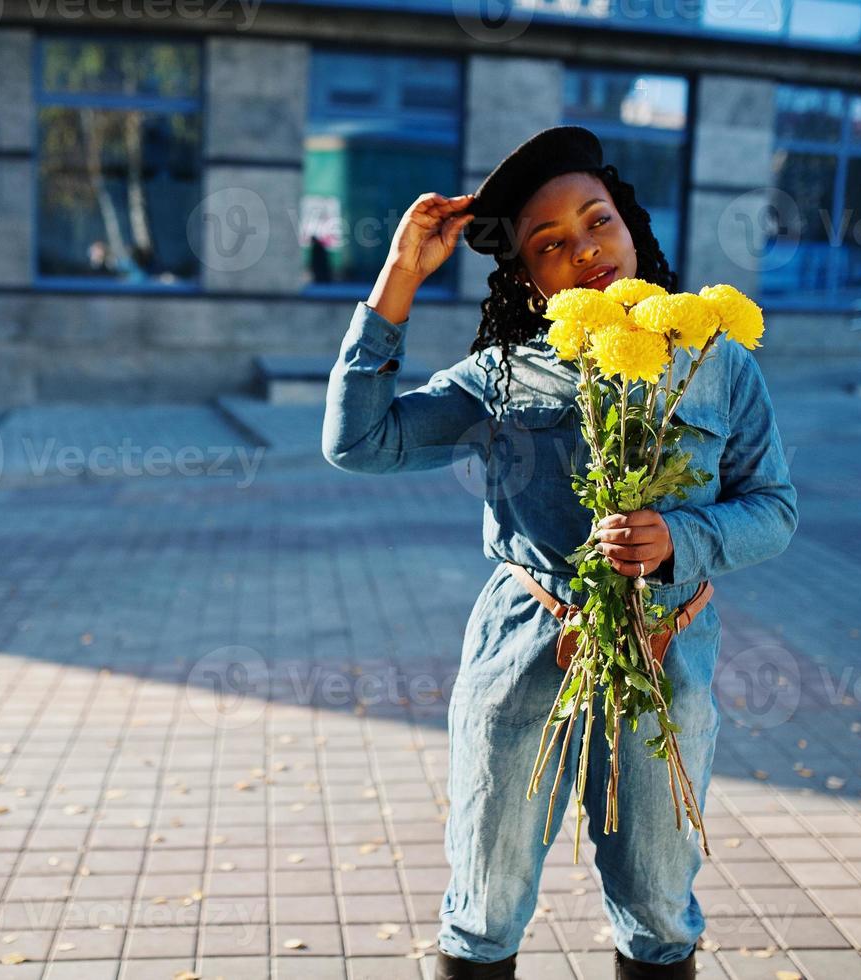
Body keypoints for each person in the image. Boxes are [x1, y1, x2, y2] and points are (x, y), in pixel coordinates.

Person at [320, 126, 798, 980]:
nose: (584, 251)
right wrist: (397, 281)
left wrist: (682, 539)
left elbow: (774, 509)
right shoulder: (497, 377)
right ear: (526, 275)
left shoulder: (717, 363)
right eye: (549, 244)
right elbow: (358, 441)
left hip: (665, 654)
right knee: (486, 901)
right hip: (525, 646)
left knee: (658, 905)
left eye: (597, 221)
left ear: (631, 226)